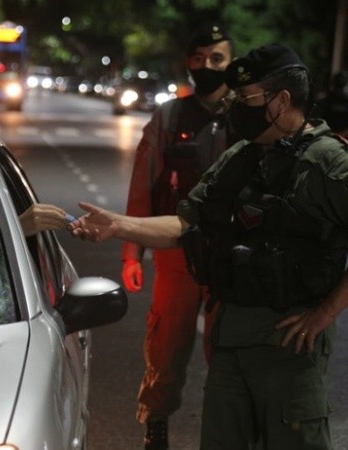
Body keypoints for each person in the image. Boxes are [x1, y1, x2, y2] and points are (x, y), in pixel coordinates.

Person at [68, 43, 348, 450]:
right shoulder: (240, 158)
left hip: (289, 345)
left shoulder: (329, 160)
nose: (236, 108)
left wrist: (325, 313)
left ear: (281, 102)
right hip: (230, 339)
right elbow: (184, 224)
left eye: (247, 99)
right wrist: (120, 226)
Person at [120, 22, 238, 450]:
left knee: (226, 351)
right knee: (166, 345)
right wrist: (132, 253)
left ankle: (225, 434)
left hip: (231, 253)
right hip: (175, 250)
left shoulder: (249, 115)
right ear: (187, 63)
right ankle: (156, 427)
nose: (206, 66)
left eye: (217, 59)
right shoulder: (169, 116)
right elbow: (143, 186)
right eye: (198, 59)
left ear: (231, 63)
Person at [315, 70, 348, 140]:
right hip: (326, 137)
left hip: (344, 139)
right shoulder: (326, 100)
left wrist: (342, 135)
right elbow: (317, 120)